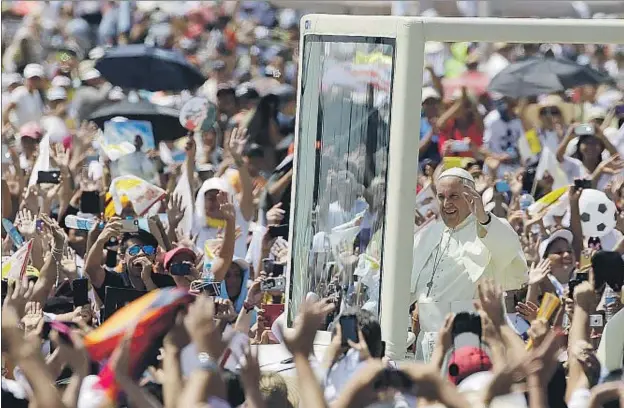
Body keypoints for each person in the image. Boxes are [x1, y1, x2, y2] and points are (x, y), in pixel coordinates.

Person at [410, 167, 528, 360]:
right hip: (428, 341)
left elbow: (509, 252)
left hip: (470, 339)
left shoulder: (488, 227)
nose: (446, 203)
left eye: (454, 196)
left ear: (471, 197)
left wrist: (483, 218)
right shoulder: (427, 235)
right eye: (441, 197)